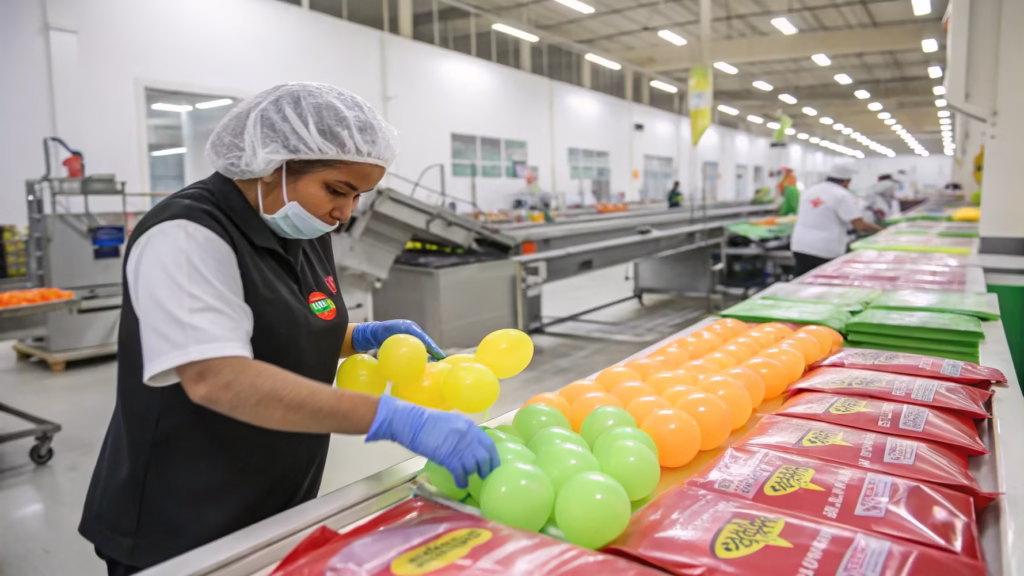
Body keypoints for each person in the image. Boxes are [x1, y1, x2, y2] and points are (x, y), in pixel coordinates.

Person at [78, 83, 499, 575]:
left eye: (358, 196)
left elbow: (286, 330)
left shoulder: (300, 226)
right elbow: (217, 378)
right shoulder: (187, 235)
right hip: (182, 516)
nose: (345, 212)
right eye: (336, 190)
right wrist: (395, 418)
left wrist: (361, 336)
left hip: (275, 499)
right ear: (272, 163)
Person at [790, 164, 882, 276]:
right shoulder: (842, 195)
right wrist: (882, 231)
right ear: (847, 182)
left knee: (802, 279)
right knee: (823, 281)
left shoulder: (810, 191)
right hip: (824, 248)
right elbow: (860, 226)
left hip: (800, 245)